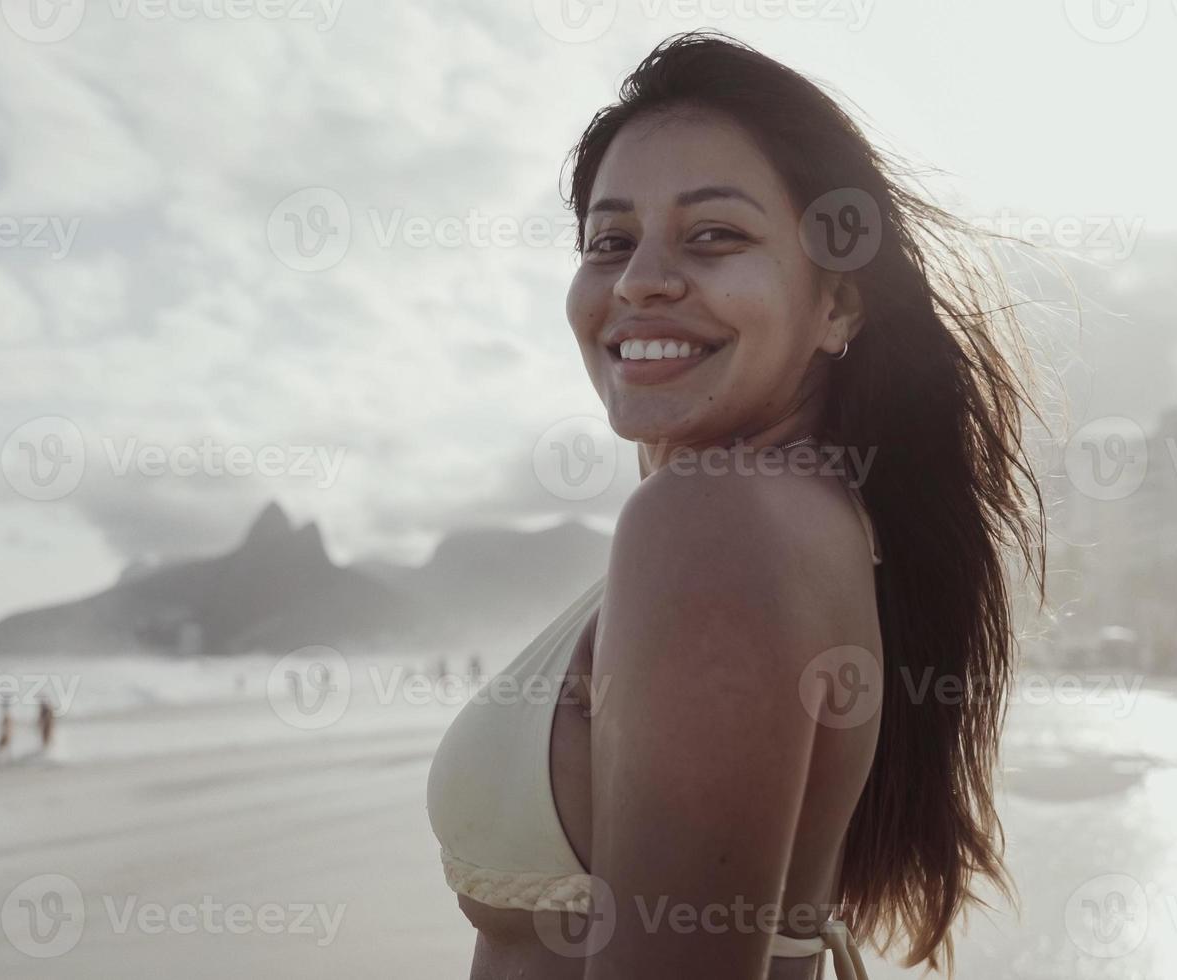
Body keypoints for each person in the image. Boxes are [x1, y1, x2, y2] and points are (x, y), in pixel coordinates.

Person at [426, 32, 1044, 979]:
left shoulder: (716, 523)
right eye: (610, 241)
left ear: (836, 304)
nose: (640, 281)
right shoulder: (807, 520)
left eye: (715, 235)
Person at [0, 696, 13, 769]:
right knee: (3, 748)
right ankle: (5, 761)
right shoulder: (7, 715)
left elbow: (6, 726)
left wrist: (5, 733)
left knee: (0, 748)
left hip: (5, 734)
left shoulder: (6, 716)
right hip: (7, 733)